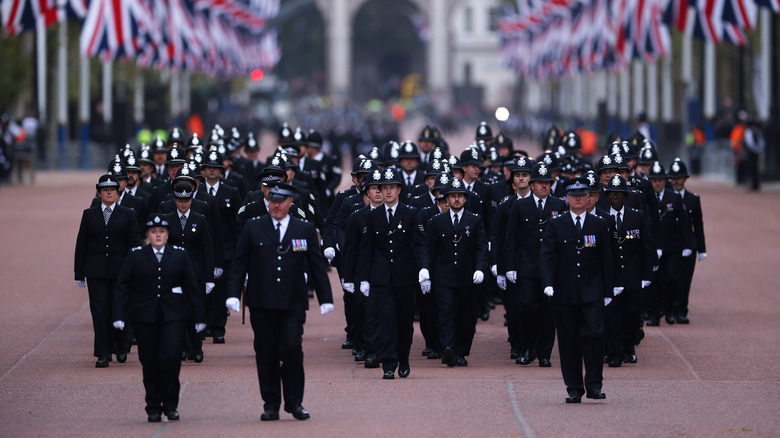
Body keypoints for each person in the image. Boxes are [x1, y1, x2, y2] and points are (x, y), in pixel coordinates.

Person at [226, 183, 334, 421]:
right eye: (272, 202)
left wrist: (325, 297)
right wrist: (233, 294)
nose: (275, 206)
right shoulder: (253, 227)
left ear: (290, 203)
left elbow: (316, 264)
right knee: (266, 352)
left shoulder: (303, 228)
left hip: (293, 301)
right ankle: (271, 403)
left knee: (292, 348)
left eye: (280, 202)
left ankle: (295, 403)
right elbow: (239, 262)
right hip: (261, 301)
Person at [112, 213, 207, 422]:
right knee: (149, 360)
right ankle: (153, 406)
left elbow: (192, 287)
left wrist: (199, 317)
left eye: (161, 232)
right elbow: (123, 285)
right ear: (148, 234)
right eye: (154, 232)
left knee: (171, 356)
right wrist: (119, 315)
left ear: (167, 234)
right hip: (144, 316)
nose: (157, 235)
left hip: (173, 315)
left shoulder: (179, 255)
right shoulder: (136, 255)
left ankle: (171, 405)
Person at [539, 177, 616, 403]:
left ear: (589, 198)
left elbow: (607, 260)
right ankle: (573, 387)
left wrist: (609, 291)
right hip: (564, 293)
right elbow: (546, 257)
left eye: (583, 195)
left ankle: (594, 385)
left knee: (593, 336)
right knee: (568, 340)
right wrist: (548, 283)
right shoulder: (555, 224)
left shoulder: (600, 224)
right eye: (574, 196)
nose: (579, 199)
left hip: (592, 292)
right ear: (567, 199)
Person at [357, 167, 429, 379]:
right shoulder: (373, 215)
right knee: (385, 321)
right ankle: (389, 363)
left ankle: (404, 359)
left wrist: (424, 267)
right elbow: (366, 249)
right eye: (384, 188)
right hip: (381, 278)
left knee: (405, 322)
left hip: (405, 277)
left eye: (392, 187)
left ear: (399, 189)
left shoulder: (411, 213)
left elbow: (420, 243)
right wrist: (363, 279)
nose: (387, 192)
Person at [74, 175, 142, 368]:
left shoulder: (128, 214)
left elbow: (135, 244)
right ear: (99, 193)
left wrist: (136, 270)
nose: (109, 192)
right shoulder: (89, 214)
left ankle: (120, 346)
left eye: (113, 189)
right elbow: (82, 244)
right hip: (96, 272)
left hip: (121, 272)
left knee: (119, 310)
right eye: (105, 190)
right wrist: (79, 273)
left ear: (118, 194)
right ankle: (103, 353)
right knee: (100, 311)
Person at [504, 162, 567, 367]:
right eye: (540, 183)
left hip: (552, 268)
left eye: (547, 182)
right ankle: (525, 347)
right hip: (526, 266)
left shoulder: (558, 205)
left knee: (548, 312)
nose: (544, 186)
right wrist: (510, 266)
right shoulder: (520, 205)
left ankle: (544, 353)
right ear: (532, 185)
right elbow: (511, 238)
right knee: (528, 306)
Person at [426, 177, 488, 367]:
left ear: (465, 198)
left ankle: (461, 351)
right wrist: (426, 274)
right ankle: (448, 348)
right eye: (453, 196)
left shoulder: (475, 220)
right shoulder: (436, 221)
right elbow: (430, 250)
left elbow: (481, 247)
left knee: (466, 315)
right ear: (446, 199)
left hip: (467, 276)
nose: (457, 199)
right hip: (443, 276)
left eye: (460, 195)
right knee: (445, 312)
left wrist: (479, 269)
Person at [603, 175, 654, 366]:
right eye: (612, 194)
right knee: (612, 317)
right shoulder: (601, 217)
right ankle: (615, 353)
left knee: (633, 316)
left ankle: (629, 345)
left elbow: (646, 247)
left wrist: (647, 275)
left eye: (619, 194)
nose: (615, 197)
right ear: (607, 196)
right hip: (611, 278)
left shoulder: (637, 216)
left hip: (633, 277)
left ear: (626, 196)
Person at [163, 183, 215, 362]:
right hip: (174, 274)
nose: (183, 204)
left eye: (186, 200)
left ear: (192, 200)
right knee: (176, 312)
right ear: (174, 200)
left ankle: (196, 347)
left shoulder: (199, 219)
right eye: (180, 200)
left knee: (195, 311)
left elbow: (207, 249)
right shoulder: (167, 219)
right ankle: (181, 347)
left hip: (195, 274)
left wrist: (210, 278)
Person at [667, 158, 707, 323]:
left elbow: (698, 225)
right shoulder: (665, 198)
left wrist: (702, 249)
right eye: (673, 178)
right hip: (670, 245)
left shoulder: (693, 199)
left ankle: (681, 311)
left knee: (685, 279)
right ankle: (668, 309)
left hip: (688, 245)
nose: (676, 181)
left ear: (685, 179)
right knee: (670, 278)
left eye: (680, 177)